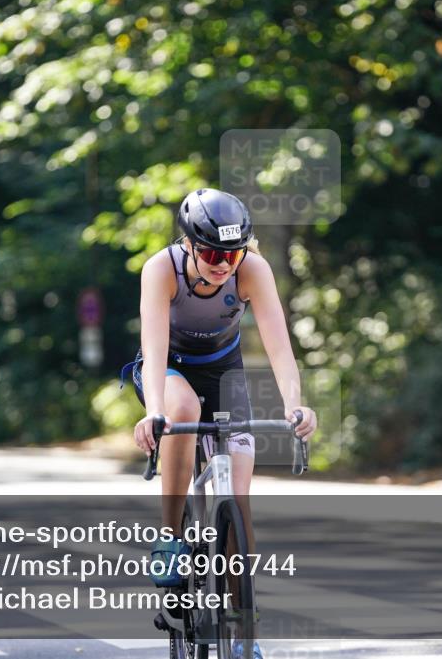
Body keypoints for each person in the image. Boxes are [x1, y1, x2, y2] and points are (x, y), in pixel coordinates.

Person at [127, 188, 317, 659]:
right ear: (189, 245)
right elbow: (152, 349)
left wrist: (297, 406)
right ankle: (170, 536)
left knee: (238, 499)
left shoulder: (252, 269)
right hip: (167, 368)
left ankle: (243, 630)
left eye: (232, 253)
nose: (223, 263)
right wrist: (154, 410)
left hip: (223, 370)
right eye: (212, 252)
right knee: (184, 410)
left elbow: (279, 348)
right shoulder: (161, 269)